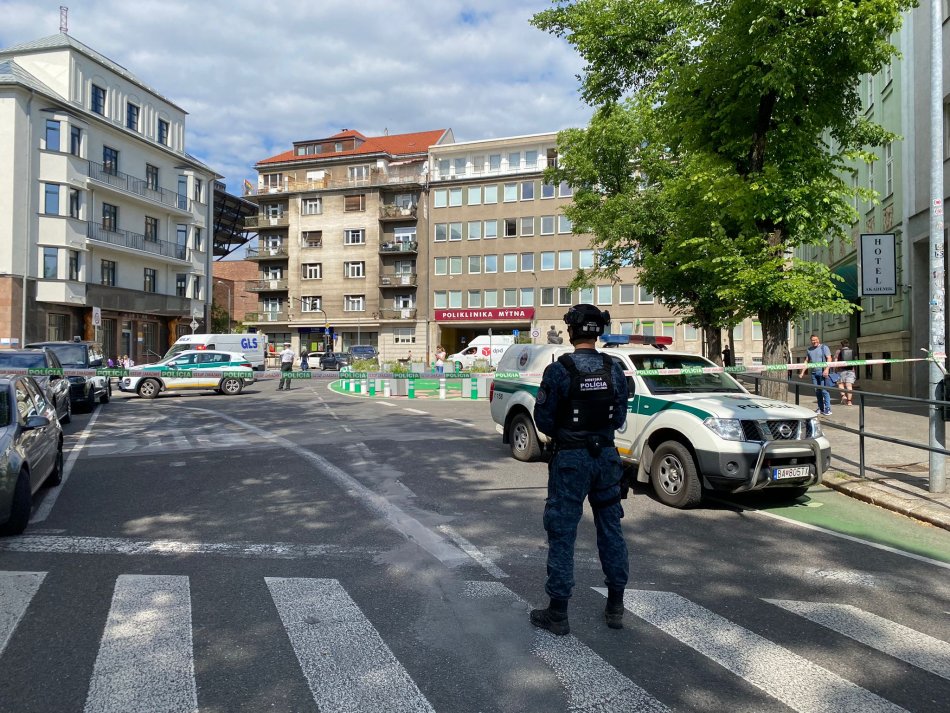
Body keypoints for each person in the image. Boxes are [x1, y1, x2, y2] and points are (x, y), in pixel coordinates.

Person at [530, 304, 630, 636]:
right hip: (606, 458)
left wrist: (567, 432)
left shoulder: (559, 370)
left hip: (571, 461)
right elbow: (619, 417)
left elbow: (544, 420)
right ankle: (615, 606)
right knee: (611, 529)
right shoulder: (614, 369)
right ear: (598, 332)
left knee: (562, 532)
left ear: (571, 331)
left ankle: (558, 613)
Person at [799, 334, 832, 416]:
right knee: (817, 391)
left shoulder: (824, 347)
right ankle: (820, 408)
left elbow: (829, 358)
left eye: (816, 340)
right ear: (811, 341)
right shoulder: (809, 349)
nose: (814, 341)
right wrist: (802, 372)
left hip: (823, 372)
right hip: (814, 373)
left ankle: (828, 408)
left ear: (818, 339)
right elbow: (807, 361)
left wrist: (827, 369)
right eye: (813, 340)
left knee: (824, 390)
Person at [834, 338, 857, 406]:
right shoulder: (853, 351)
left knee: (840, 384)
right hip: (851, 370)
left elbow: (835, 361)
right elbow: (856, 361)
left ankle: (843, 396)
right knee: (849, 386)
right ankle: (849, 402)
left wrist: (835, 369)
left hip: (841, 370)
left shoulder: (838, 351)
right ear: (848, 344)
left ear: (841, 345)